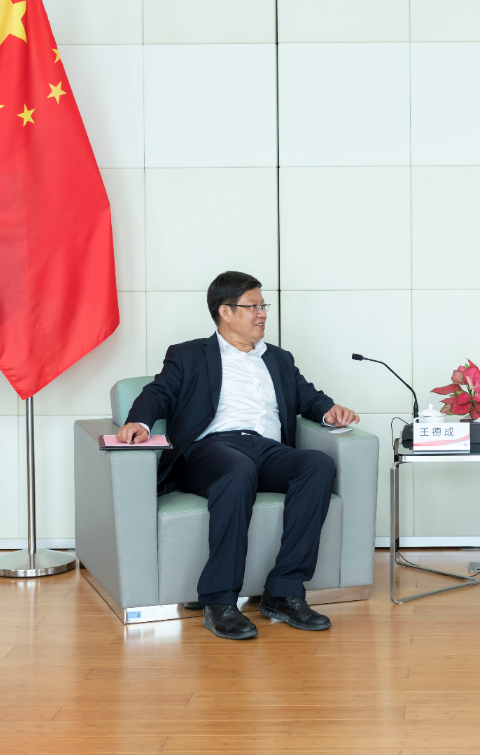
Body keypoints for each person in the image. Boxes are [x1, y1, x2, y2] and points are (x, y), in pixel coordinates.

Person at [115, 271, 360, 640]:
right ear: (225, 312)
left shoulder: (278, 359)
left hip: (267, 449)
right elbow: (158, 392)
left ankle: (284, 592)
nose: (262, 313)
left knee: (318, 465)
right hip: (211, 449)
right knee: (237, 468)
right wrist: (140, 421)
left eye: (263, 306)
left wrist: (330, 411)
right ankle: (219, 601)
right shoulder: (189, 354)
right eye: (252, 306)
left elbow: (308, 397)